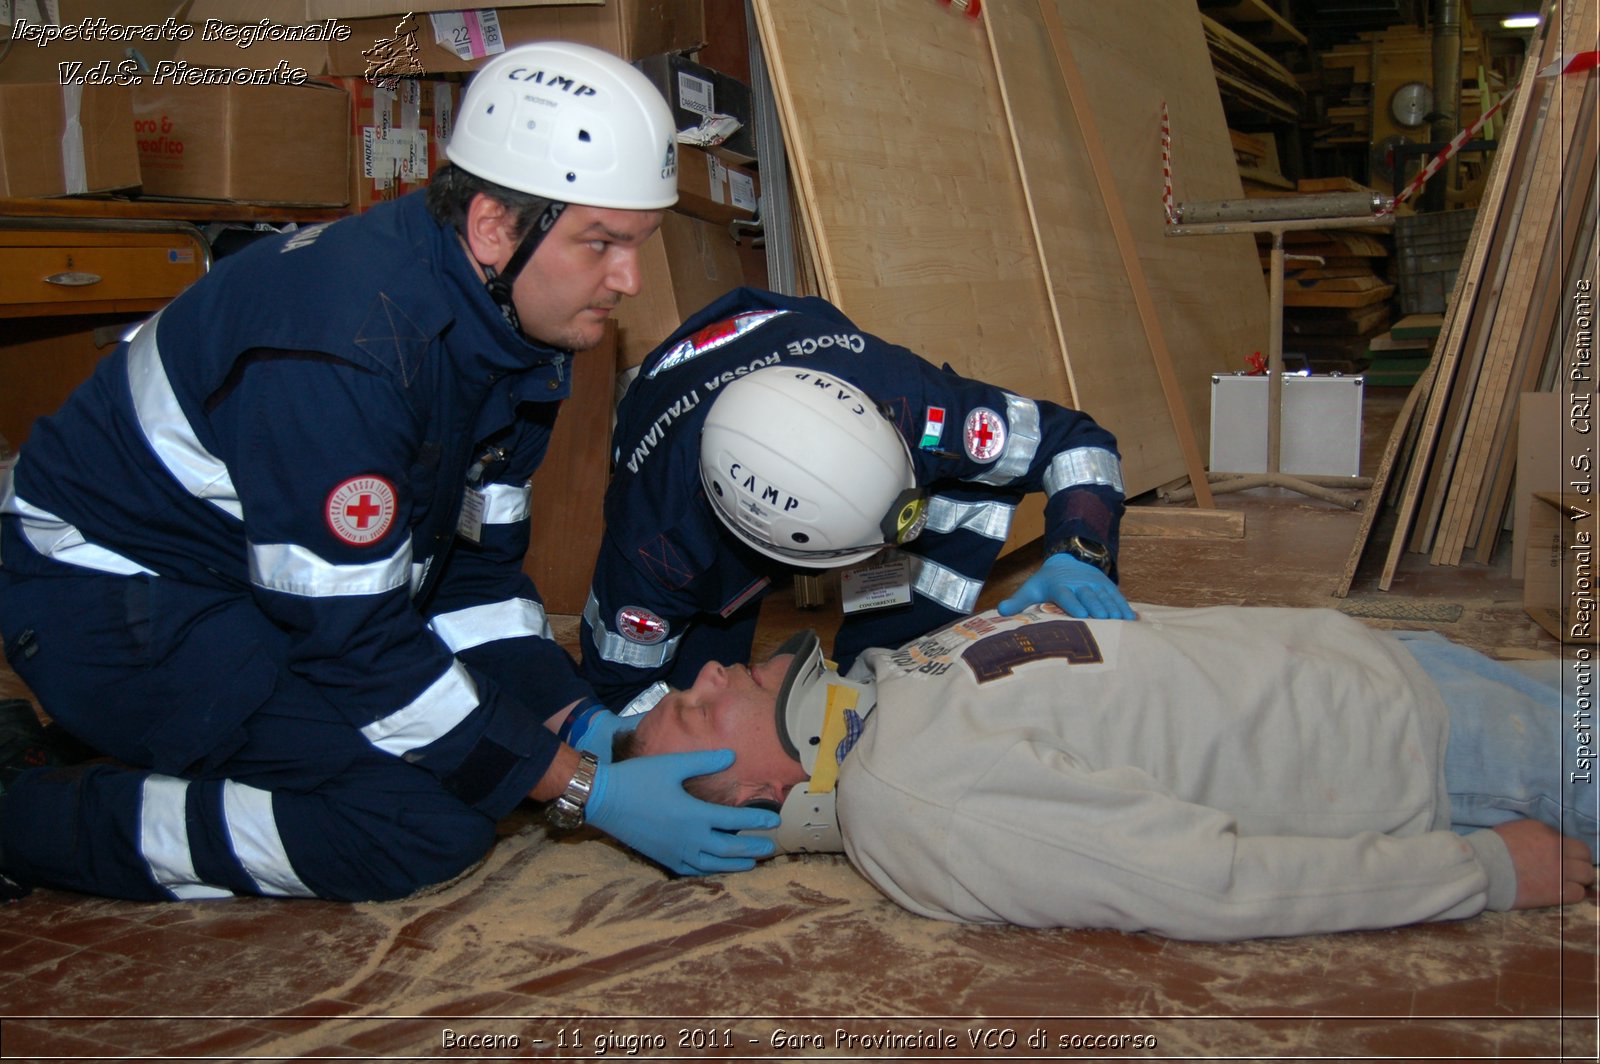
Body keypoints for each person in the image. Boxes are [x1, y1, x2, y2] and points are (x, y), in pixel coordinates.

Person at [0, 42, 778, 904]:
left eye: (639, 244)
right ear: (493, 226)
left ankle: (128, 748)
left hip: (248, 582)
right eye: (602, 244)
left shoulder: (511, 327)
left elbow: (471, 575)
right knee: (418, 823)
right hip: (104, 600)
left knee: (482, 746)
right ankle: (27, 813)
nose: (628, 280)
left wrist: (575, 723)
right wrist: (581, 787)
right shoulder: (351, 352)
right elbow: (352, 641)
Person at [619, 602, 1598, 942]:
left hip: (1387, 671)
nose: (705, 671)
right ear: (756, 792)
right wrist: (1484, 873)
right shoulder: (916, 801)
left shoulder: (885, 686)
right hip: (1429, 759)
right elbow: (1207, 884)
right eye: (697, 711)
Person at [582, 286, 1134, 712]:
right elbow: (619, 690)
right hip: (669, 414)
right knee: (701, 688)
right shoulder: (657, 547)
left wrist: (1078, 553)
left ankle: (889, 673)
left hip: (785, 337)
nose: (890, 549)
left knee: (957, 496)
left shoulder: (910, 400)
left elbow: (1076, 444)